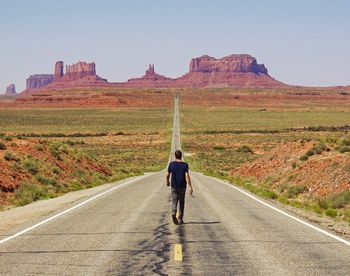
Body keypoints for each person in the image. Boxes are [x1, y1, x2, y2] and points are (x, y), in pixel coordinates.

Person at [166, 150, 193, 225]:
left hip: (174, 186)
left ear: (175, 156)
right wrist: (190, 186)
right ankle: (180, 219)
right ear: (181, 156)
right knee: (181, 202)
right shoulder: (185, 165)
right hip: (182, 186)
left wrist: (167, 182)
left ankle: (174, 212)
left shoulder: (171, 164)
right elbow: (187, 176)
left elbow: (167, 175)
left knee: (174, 201)